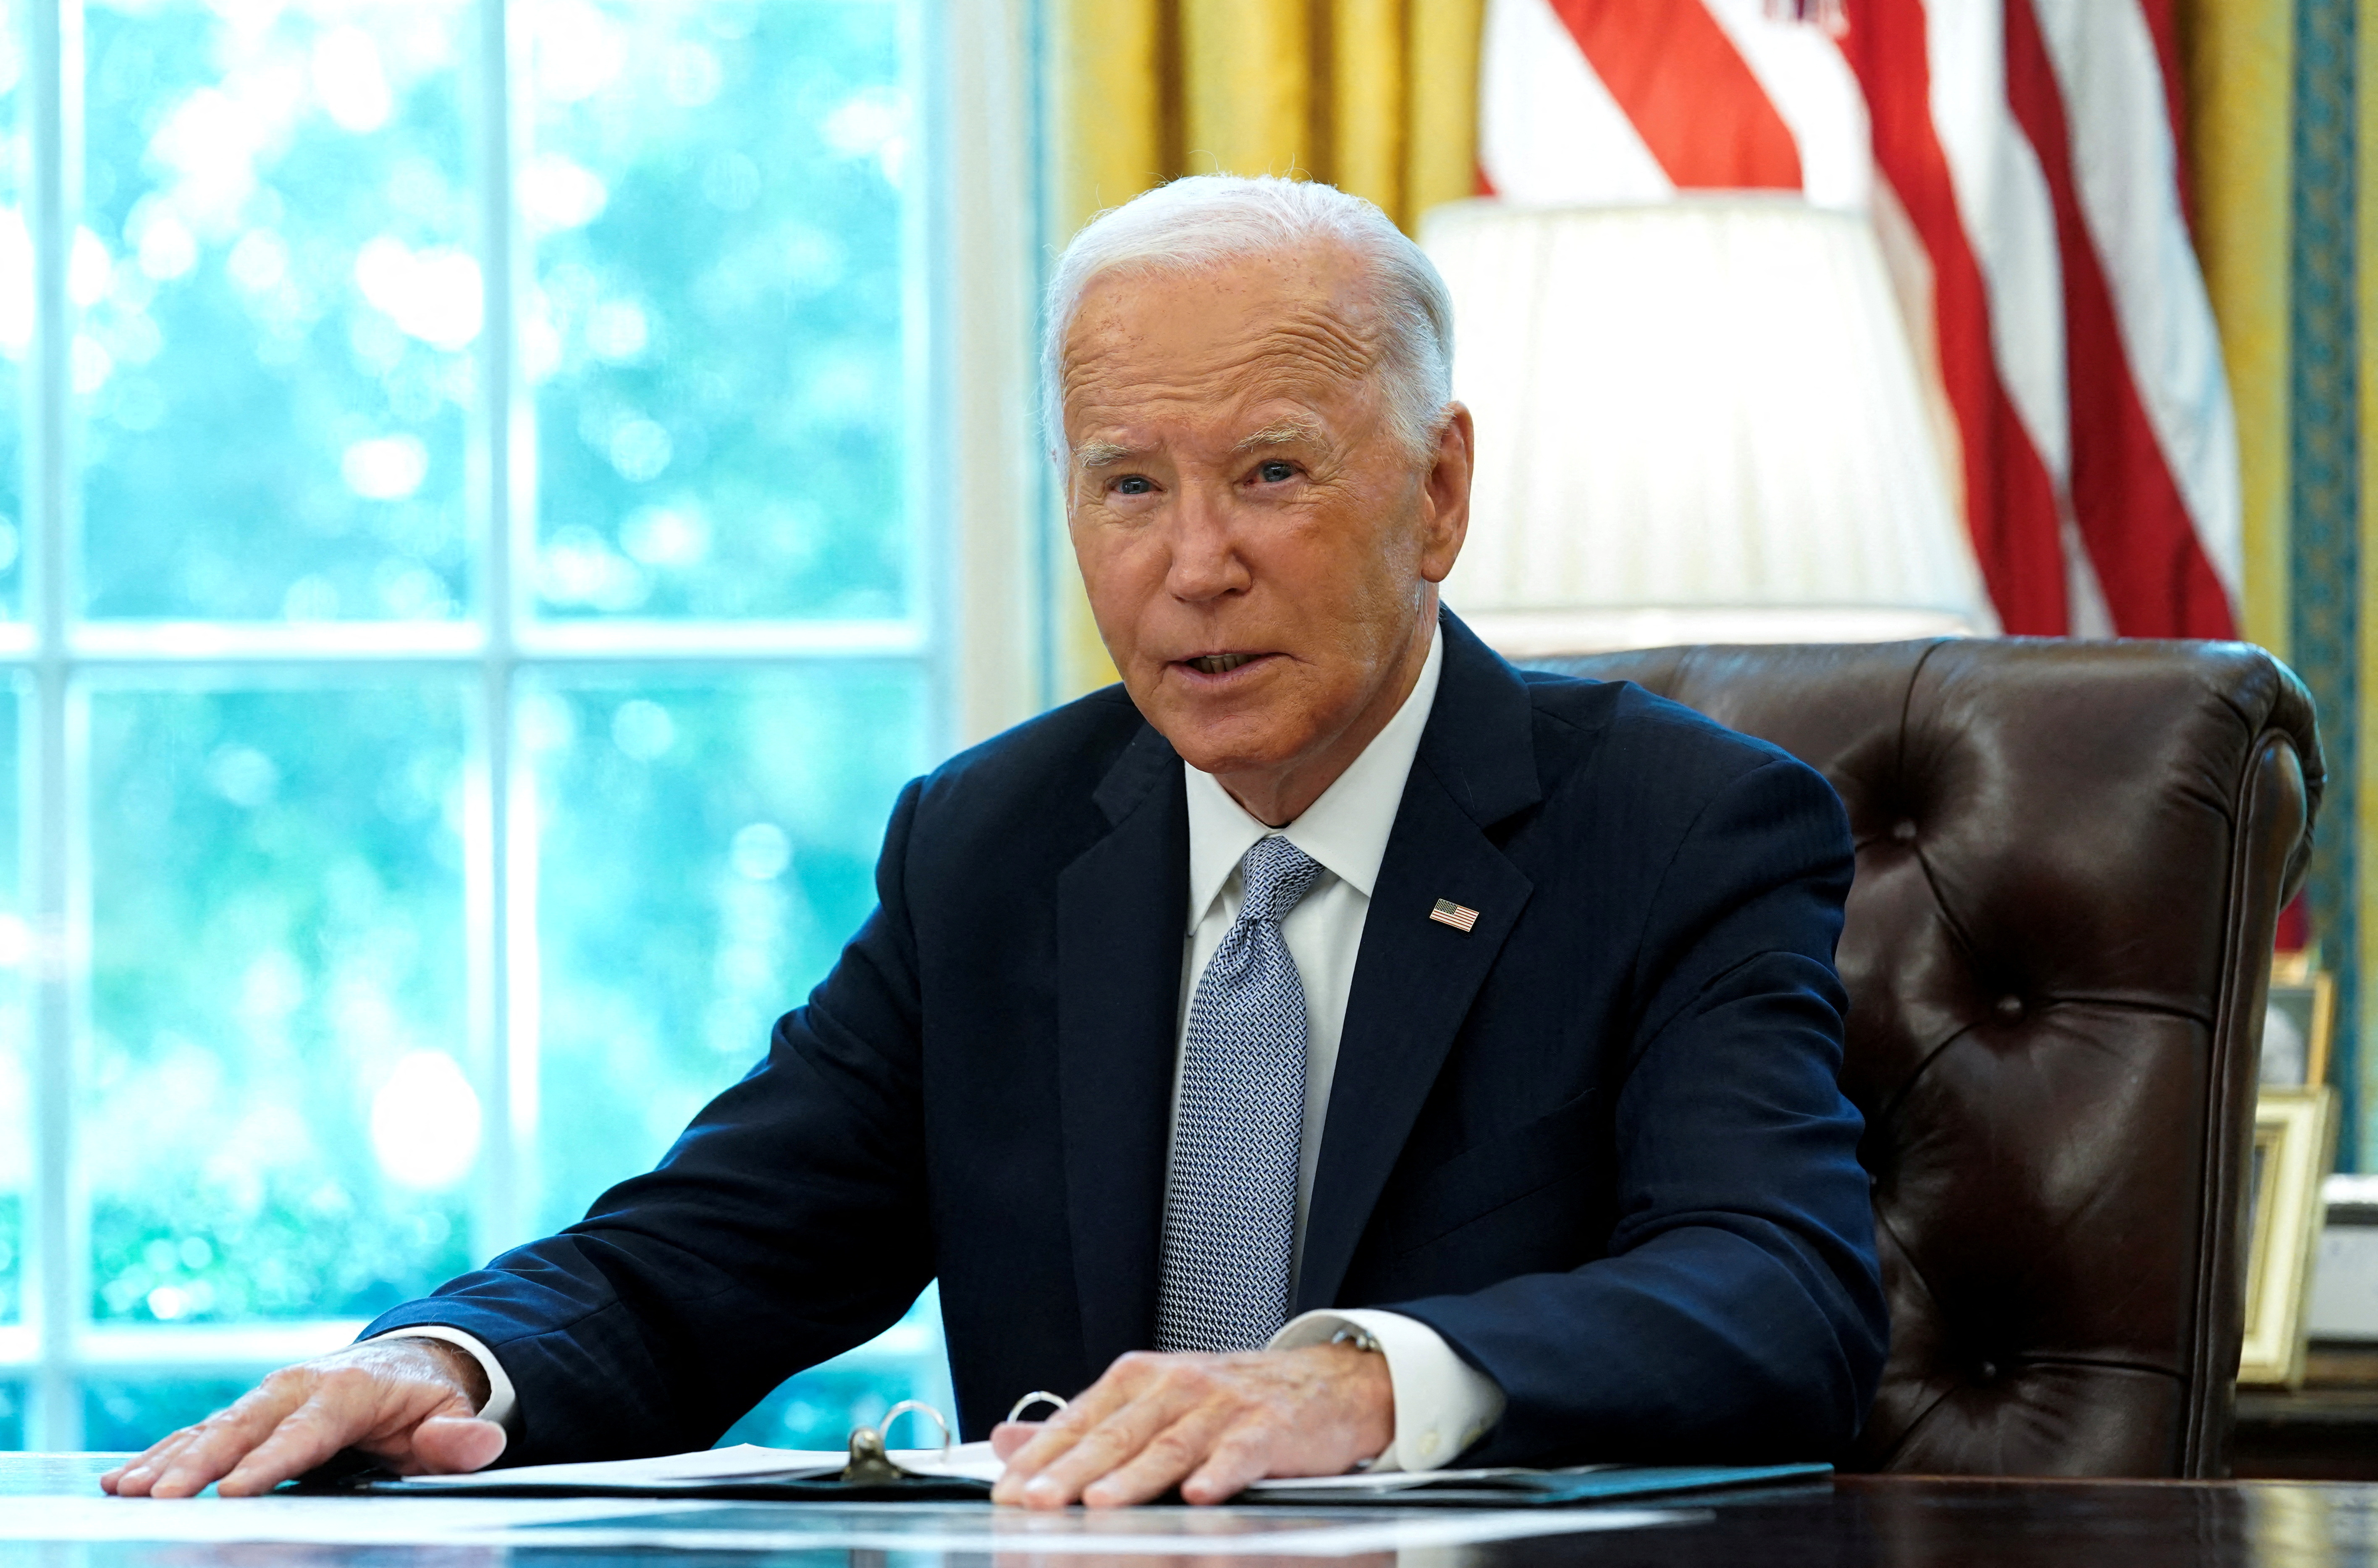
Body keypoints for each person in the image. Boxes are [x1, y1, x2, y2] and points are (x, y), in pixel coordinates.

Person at [103, 174, 1887, 1508]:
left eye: (1271, 473)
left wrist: (1362, 1384)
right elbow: (708, 1255)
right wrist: (435, 1359)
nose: (1193, 563)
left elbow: (1779, 1290)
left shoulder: (1681, 825)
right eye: (1127, 483)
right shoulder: (996, 844)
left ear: (1436, 493)